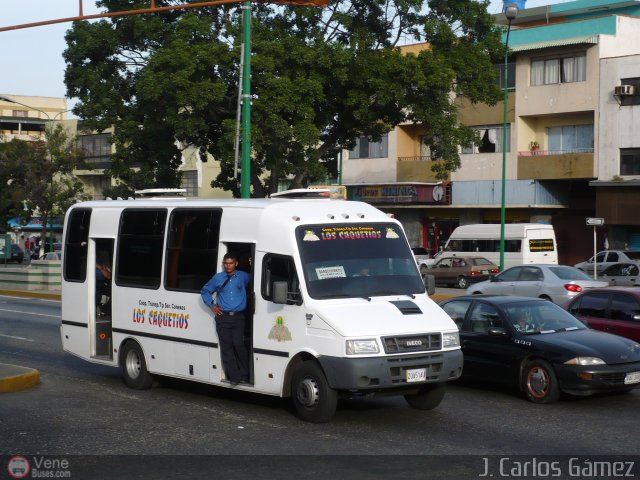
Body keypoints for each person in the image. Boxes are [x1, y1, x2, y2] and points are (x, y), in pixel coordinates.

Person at [201, 253, 251, 386]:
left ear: (236, 264)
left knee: (238, 344)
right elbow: (205, 291)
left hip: (239, 317)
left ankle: (245, 375)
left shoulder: (244, 276)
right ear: (224, 264)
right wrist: (212, 306)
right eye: (226, 263)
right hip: (223, 318)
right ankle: (234, 377)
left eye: (231, 263)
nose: (228, 266)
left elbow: (253, 284)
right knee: (227, 346)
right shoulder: (218, 278)